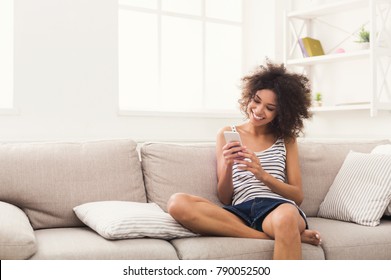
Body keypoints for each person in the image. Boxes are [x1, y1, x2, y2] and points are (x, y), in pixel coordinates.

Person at [167, 61, 321, 260]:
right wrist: (229, 164)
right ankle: (282, 237)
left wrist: (262, 174)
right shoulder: (227, 133)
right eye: (256, 101)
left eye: (270, 108)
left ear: (281, 112)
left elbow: (297, 196)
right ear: (249, 97)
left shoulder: (287, 139)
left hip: (277, 210)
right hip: (239, 211)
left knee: (286, 218)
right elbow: (224, 198)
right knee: (177, 203)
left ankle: (286, 231)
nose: (258, 110)